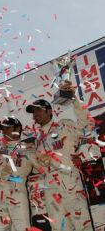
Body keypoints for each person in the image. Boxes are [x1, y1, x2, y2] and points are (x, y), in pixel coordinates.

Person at [26, 98, 94, 231]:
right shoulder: (38, 140)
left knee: (82, 223)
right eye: (33, 112)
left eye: (38, 110)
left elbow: (86, 125)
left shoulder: (63, 125)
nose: (35, 114)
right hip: (50, 186)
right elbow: (39, 168)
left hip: (69, 181)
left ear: (49, 111)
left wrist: (74, 100)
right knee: (59, 227)